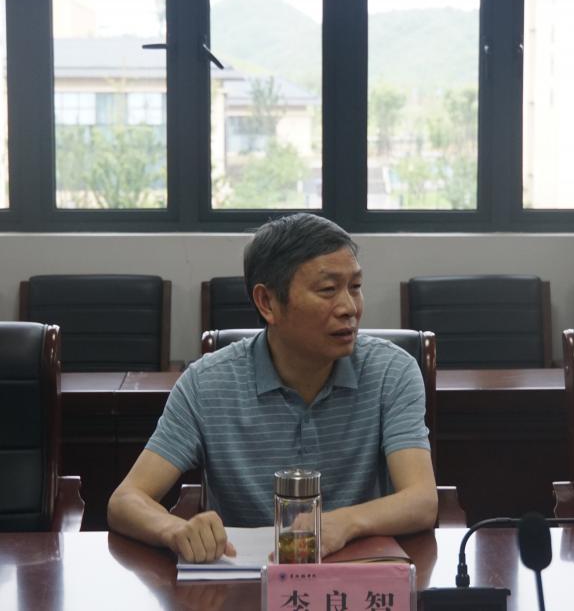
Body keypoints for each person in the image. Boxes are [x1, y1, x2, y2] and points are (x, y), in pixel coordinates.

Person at [108, 213, 438, 562]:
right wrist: (175, 530)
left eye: (355, 287)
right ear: (267, 303)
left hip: (357, 575)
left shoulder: (392, 372)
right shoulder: (206, 384)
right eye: (328, 290)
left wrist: (343, 523)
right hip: (246, 579)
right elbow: (125, 500)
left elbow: (422, 500)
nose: (349, 308)